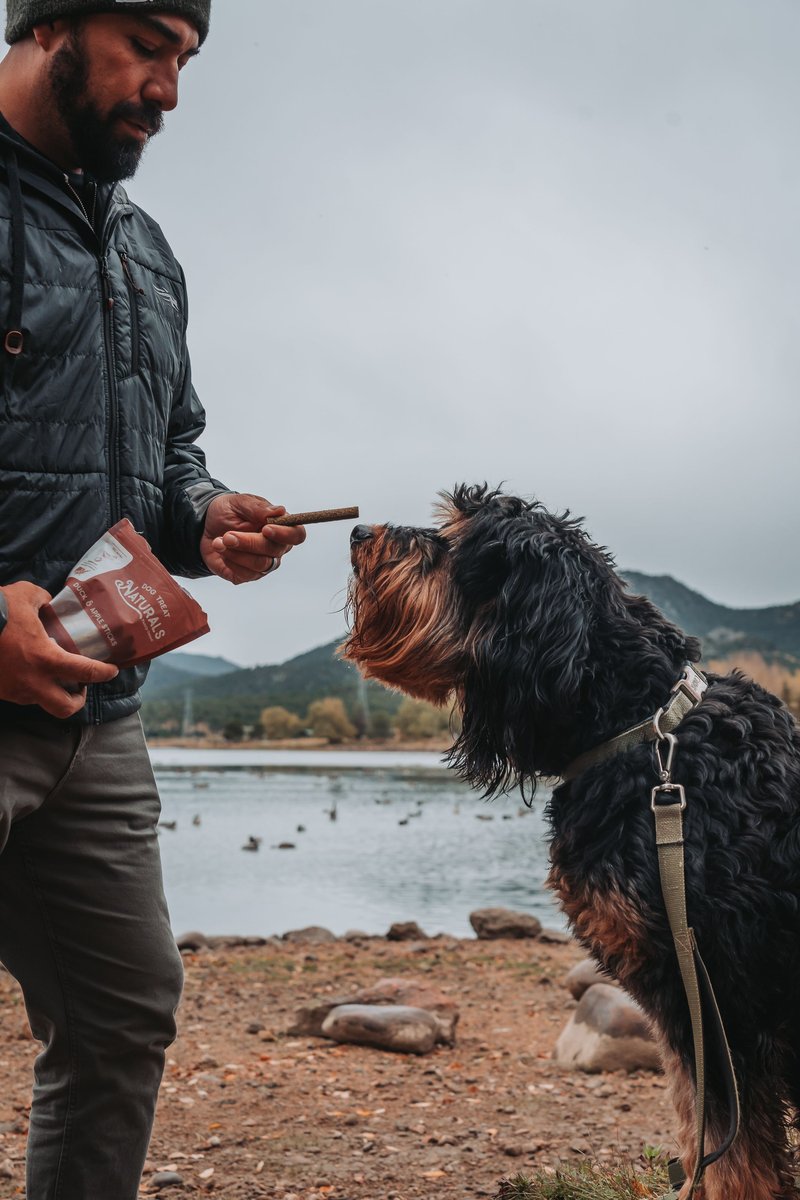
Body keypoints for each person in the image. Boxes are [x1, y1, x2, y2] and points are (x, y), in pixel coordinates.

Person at [0, 4, 306, 1196]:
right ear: (49, 24)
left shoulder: (146, 249)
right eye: (148, 44)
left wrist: (205, 517)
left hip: (98, 722)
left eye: (186, 57)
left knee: (123, 1024)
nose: (169, 90)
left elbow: (170, 447)